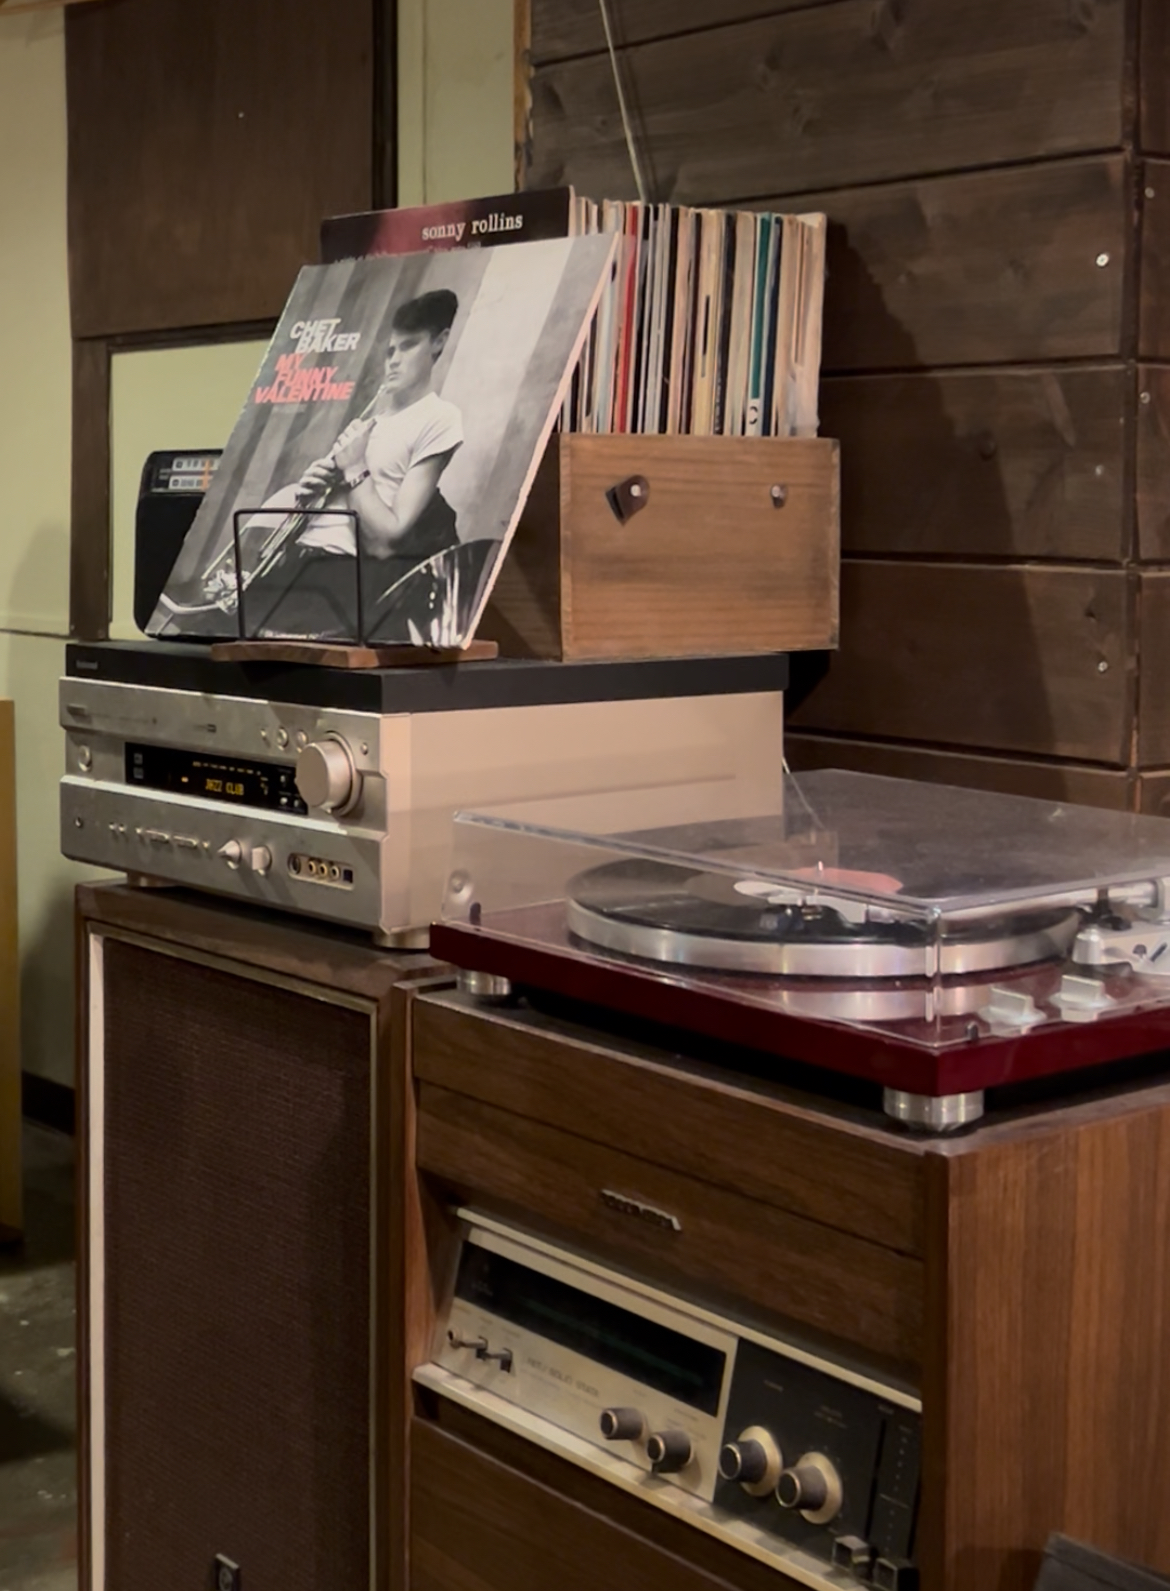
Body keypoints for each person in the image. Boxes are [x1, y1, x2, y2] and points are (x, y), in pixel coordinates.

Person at [242, 289, 464, 639]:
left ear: (439, 342)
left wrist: (354, 468)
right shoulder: (369, 421)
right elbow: (339, 494)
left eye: (408, 347)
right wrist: (311, 491)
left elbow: (386, 539)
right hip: (298, 564)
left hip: (344, 575)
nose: (394, 360)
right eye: (390, 351)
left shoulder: (440, 417)